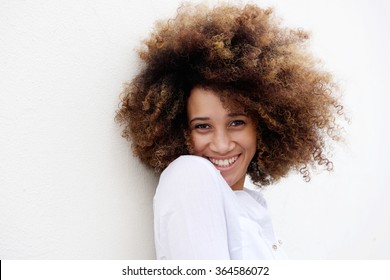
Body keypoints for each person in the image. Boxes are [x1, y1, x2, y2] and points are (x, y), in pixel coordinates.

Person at [115, 3, 343, 259]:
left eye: (236, 122)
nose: (222, 145)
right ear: (179, 130)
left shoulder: (247, 203)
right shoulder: (190, 176)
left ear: (263, 124)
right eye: (202, 126)